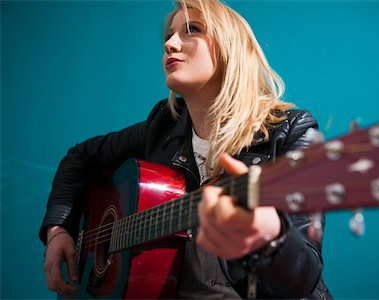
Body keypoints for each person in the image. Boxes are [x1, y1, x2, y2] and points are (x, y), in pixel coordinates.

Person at [40, 0, 332, 298]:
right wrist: (58, 230)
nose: (170, 44)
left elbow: (302, 277)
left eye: (191, 29)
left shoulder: (290, 132)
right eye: (168, 35)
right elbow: (80, 157)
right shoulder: (162, 127)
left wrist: (272, 237)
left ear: (228, 46)